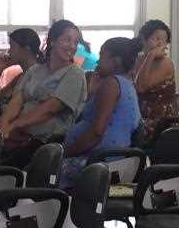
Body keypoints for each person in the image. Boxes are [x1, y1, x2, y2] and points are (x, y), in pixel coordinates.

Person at [0, 20, 88, 163]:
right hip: (18, 134)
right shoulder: (35, 70)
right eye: (67, 40)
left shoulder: (75, 73)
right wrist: (1, 128)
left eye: (76, 42)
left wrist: (13, 126)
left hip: (46, 143)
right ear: (52, 41)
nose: (72, 46)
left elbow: (49, 109)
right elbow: (16, 101)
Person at [61, 38, 143, 187]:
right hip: (112, 159)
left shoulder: (111, 84)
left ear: (116, 61)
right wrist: (93, 92)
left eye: (102, 56)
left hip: (102, 162)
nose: (98, 61)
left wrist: (65, 152)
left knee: (46, 170)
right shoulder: (126, 83)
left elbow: (96, 132)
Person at [132, 19, 178, 140]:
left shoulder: (166, 63)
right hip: (139, 115)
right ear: (143, 39)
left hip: (159, 122)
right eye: (156, 39)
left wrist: (151, 56)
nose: (160, 45)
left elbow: (140, 87)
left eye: (164, 41)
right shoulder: (137, 60)